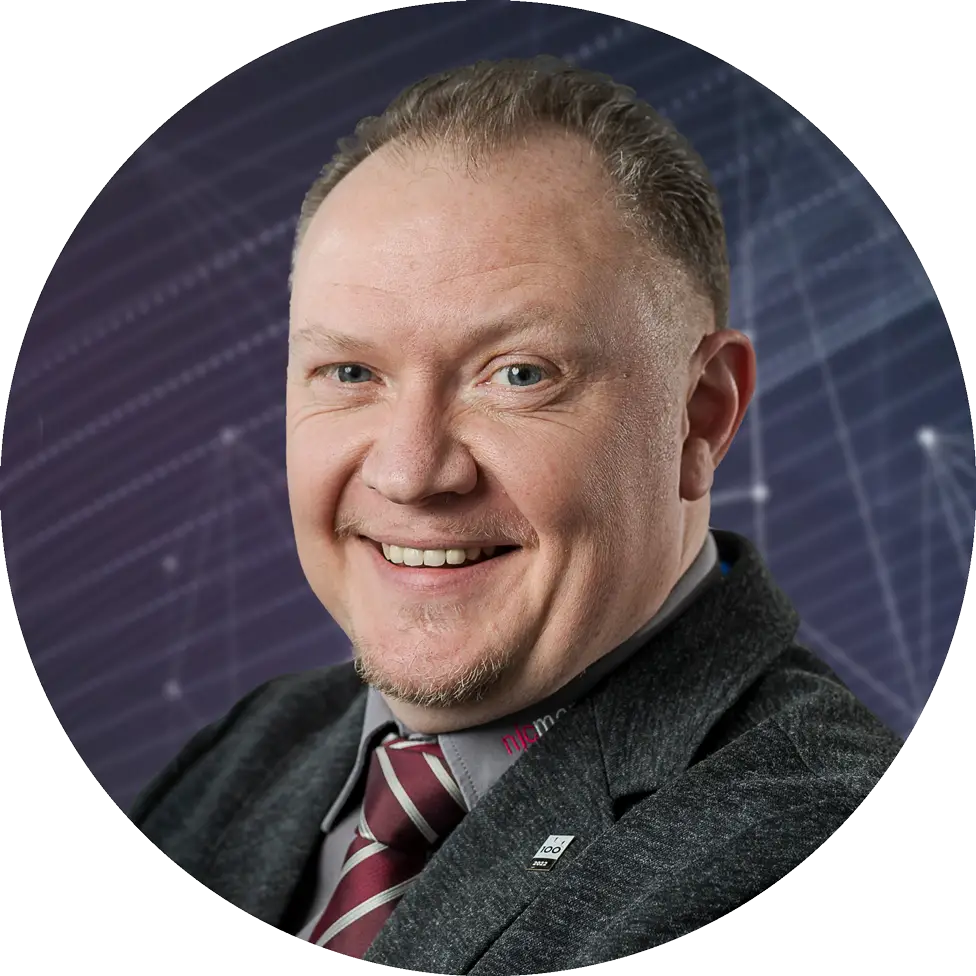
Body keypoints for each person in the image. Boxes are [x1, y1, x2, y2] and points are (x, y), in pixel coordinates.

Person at [130, 56, 903, 972]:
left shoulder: (819, 855)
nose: (411, 473)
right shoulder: (239, 762)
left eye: (519, 375)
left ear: (700, 415)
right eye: (351, 372)